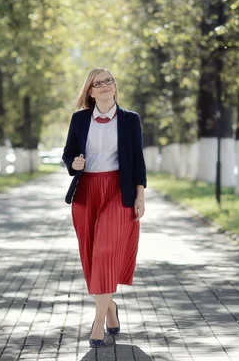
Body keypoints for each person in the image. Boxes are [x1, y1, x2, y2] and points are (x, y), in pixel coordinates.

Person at [62, 67, 147, 348]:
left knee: (105, 254)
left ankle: (97, 323)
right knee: (90, 256)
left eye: (109, 80)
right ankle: (109, 309)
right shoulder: (79, 119)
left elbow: (137, 160)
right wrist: (73, 164)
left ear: (114, 86)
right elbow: (69, 154)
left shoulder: (130, 120)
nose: (105, 86)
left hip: (117, 191)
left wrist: (140, 196)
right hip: (86, 192)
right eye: (98, 83)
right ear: (90, 91)